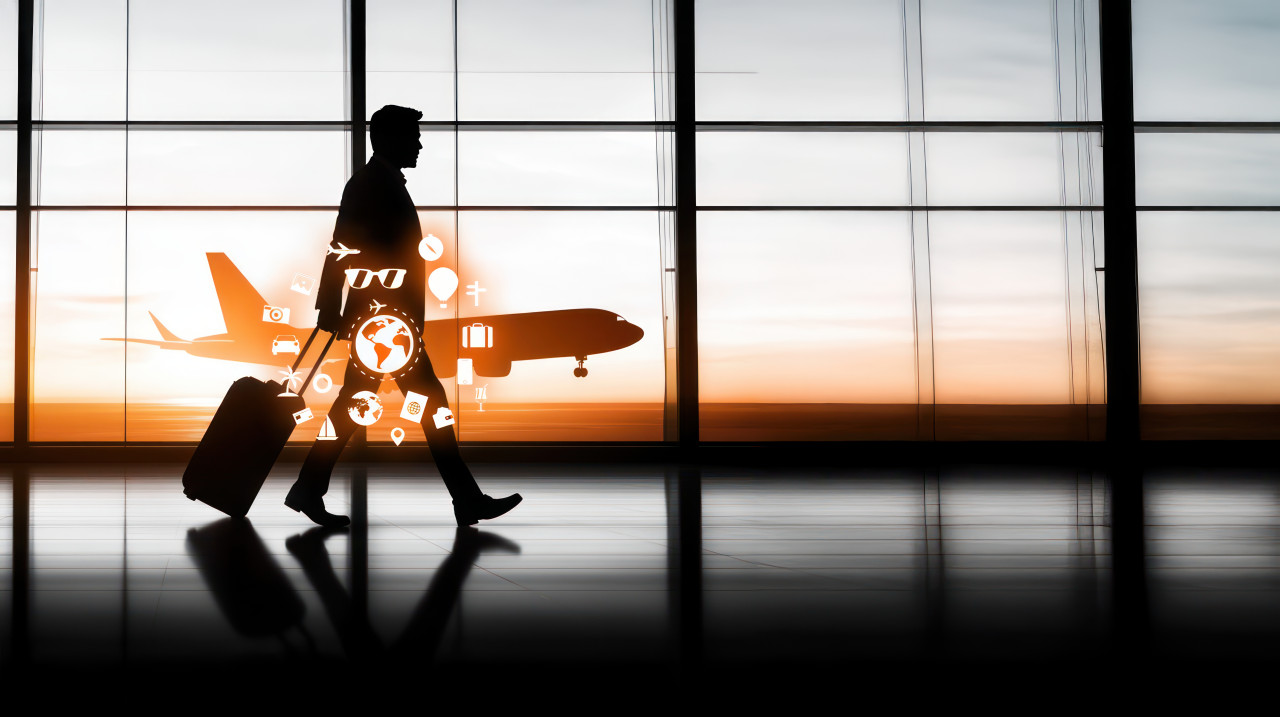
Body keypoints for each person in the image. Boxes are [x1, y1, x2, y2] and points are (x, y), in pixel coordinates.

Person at [284, 104, 522, 529]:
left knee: (357, 406)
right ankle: (466, 500)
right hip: (383, 324)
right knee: (429, 405)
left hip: (385, 324)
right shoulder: (372, 185)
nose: (419, 143)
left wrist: (333, 306)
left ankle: (308, 488)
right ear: (390, 139)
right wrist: (328, 305)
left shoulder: (377, 182)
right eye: (412, 135)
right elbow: (342, 246)